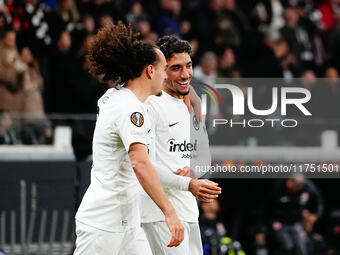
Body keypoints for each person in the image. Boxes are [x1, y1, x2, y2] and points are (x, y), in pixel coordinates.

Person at [74, 22, 185, 255]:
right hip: (104, 223)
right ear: (149, 71)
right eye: (164, 68)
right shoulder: (130, 109)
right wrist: (169, 212)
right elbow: (139, 162)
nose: (166, 76)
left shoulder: (118, 97)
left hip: (129, 223)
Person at [141, 35, 222, 255]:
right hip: (160, 215)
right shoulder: (149, 105)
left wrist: (194, 172)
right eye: (176, 68)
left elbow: (203, 155)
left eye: (188, 66)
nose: (185, 74)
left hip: (188, 212)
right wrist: (187, 184)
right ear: (161, 70)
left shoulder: (190, 104)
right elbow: (142, 164)